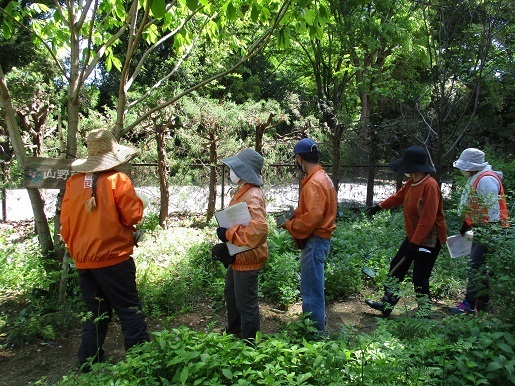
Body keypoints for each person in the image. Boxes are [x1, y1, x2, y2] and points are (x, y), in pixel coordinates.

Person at [60, 129, 150, 371]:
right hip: (114, 259)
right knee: (129, 310)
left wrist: (78, 250)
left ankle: (88, 364)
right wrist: (139, 201)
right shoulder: (118, 180)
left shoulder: (74, 182)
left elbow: (66, 225)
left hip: (84, 260)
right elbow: (133, 215)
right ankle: (141, 365)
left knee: (95, 312)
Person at [365, 146, 447, 318]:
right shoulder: (412, 183)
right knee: (396, 267)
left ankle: (424, 315)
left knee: (419, 277)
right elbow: (399, 196)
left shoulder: (430, 186)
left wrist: (415, 244)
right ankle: (387, 305)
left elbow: (428, 219)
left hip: (429, 239)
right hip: (414, 236)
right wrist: (379, 207)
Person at [277, 138, 337, 335]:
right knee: (314, 287)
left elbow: (312, 218)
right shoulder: (322, 177)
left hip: (315, 241)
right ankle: (316, 326)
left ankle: (314, 334)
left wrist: (289, 224)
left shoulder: (313, 182)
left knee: (311, 290)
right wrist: (296, 214)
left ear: (300, 158)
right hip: (321, 240)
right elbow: (313, 210)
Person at [212, 148, 268, 341]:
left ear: (245, 172)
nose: (231, 172)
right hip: (239, 256)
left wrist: (228, 234)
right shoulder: (244, 191)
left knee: (246, 304)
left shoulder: (252, 194)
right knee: (231, 294)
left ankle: (250, 345)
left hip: (247, 258)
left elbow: (258, 230)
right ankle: (234, 331)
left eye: (235, 168)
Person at [449, 148, 509, 315]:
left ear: (471, 166)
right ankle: (484, 301)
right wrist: (464, 228)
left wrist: (488, 234)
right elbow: (475, 208)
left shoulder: (486, 180)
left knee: (475, 265)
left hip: (491, 229)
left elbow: (493, 212)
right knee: (478, 265)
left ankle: (468, 305)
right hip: (482, 228)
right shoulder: (476, 178)